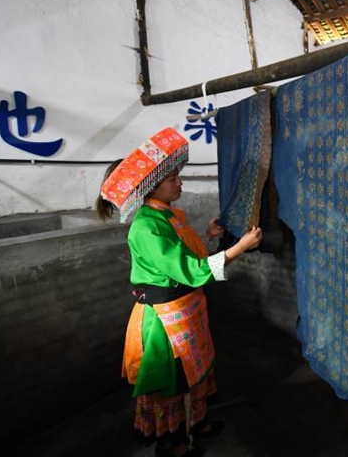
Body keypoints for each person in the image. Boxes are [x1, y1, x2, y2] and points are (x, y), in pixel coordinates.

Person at [96, 128, 262, 457]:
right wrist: (239, 248)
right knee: (172, 379)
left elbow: (187, 257)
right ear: (151, 185)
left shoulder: (168, 217)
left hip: (186, 313)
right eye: (172, 178)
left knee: (193, 374)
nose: (179, 182)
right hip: (166, 321)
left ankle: (194, 424)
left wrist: (209, 235)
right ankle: (169, 442)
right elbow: (189, 270)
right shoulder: (146, 226)